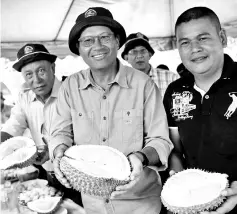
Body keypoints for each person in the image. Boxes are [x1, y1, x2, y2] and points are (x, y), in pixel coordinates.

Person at [49, 7, 173, 214]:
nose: (97, 46)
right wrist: (58, 151)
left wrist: (140, 158)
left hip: (141, 202)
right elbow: (60, 132)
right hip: (93, 203)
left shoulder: (144, 84)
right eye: (87, 41)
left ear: (117, 41)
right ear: (79, 49)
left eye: (104, 37)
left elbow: (160, 140)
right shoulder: (70, 86)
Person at [163, 6, 237, 214]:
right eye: (185, 42)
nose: (194, 48)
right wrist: (176, 179)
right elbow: (175, 149)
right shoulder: (175, 91)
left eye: (203, 38)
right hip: (195, 203)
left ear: (222, 38)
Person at [0, 43, 82, 207]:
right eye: (29, 74)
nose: (36, 80)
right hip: (49, 173)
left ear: (53, 67)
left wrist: (54, 149)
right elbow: (14, 125)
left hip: (77, 174)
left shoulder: (72, 92)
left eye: (41, 71)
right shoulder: (25, 97)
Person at [121, 32, 179, 97]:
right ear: (126, 58)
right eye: (134, 52)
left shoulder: (171, 78)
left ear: (150, 54)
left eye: (143, 51)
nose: (139, 56)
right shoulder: (120, 83)